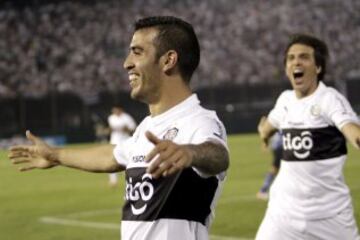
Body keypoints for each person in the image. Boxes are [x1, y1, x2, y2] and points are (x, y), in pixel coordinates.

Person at [8, 16, 229, 240]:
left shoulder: (200, 121)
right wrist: (55, 155)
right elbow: (113, 156)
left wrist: (190, 153)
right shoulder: (147, 127)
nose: (126, 63)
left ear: (168, 60)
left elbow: (218, 154)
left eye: (137, 52)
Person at [255, 33, 360, 240]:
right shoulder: (285, 100)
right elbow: (268, 126)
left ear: (318, 67)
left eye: (304, 57)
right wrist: (264, 134)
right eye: (291, 58)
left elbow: (352, 131)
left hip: (330, 217)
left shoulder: (330, 100)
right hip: (283, 215)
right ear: (286, 68)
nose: (296, 62)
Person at [107, 106, 136, 187]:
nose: (114, 111)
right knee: (112, 160)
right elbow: (109, 129)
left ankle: (129, 179)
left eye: (116, 109)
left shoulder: (126, 117)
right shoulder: (111, 118)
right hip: (114, 141)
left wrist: (125, 129)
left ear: (120, 109)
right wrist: (110, 129)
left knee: (126, 161)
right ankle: (113, 181)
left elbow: (133, 128)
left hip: (125, 142)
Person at [256, 131, 282, 200]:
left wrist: (265, 143)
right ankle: (263, 190)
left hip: (278, 145)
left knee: (276, 168)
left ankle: (263, 190)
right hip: (281, 145)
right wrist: (265, 143)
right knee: (275, 168)